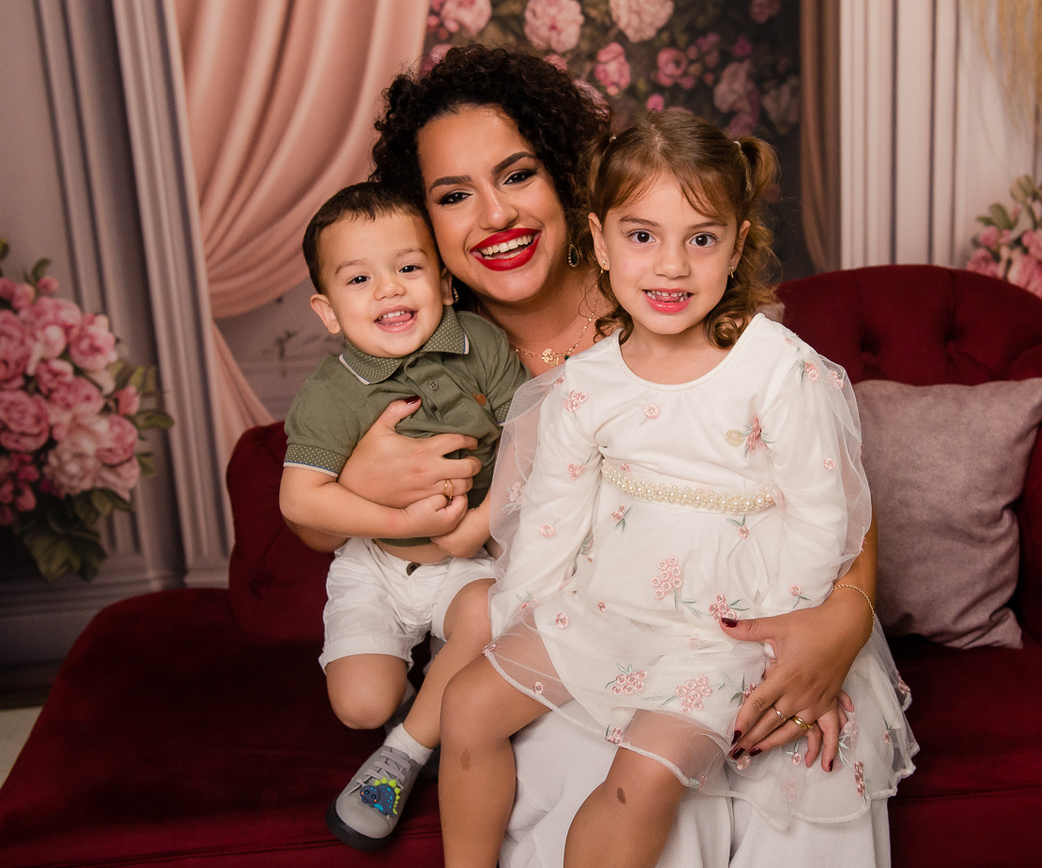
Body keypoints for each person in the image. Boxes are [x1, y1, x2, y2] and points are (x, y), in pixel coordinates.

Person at [291, 45, 893, 866]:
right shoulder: (422, 350)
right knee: (568, 760)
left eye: (518, 174)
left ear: (572, 185)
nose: (495, 214)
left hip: (742, 608)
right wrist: (359, 485)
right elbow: (320, 518)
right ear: (421, 224)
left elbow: (826, 491)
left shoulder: (679, 302)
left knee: (741, 772)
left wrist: (839, 624)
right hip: (570, 623)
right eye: (454, 195)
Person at [434, 112, 916, 868]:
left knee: (642, 780)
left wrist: (782, 653)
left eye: (701, 239)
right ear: (599, 242)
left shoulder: (777, 370)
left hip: (729, 632)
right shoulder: (587, 382)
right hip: (611, 605)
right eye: (641, 236)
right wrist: (519, 617)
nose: (671, 266)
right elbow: (552, 522)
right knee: (466, 705)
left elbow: (823, 520)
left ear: (737, 244)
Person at [279, 182, 528, 851]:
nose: (389, 289)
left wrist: (474, 527)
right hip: (377, 564)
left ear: (444, 282)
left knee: (487, 615)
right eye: (360, 279)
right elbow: (300, 500)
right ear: (328, 311)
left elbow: (529, 443)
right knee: (362, 705)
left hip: (466, 561)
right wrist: (402, 519)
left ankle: (404, 754)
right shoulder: (332, 392)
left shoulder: (481, 344)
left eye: (408, 267)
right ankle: (417, 695)